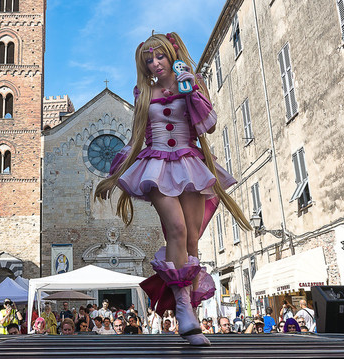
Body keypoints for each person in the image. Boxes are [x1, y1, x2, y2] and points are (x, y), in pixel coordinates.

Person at [95, 32, 251, 347]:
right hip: (156, 165)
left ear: (171, 55)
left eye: (159, 57)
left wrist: (191, 88)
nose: (154, 64)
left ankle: (190, 311)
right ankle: (181, 305)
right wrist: (112, 178)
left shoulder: (190, 83)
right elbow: (138, 136)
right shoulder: (144, 92)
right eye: (148, 60)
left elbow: (208, 124)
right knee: (176, 230)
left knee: (192, 238)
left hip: (189, 162)